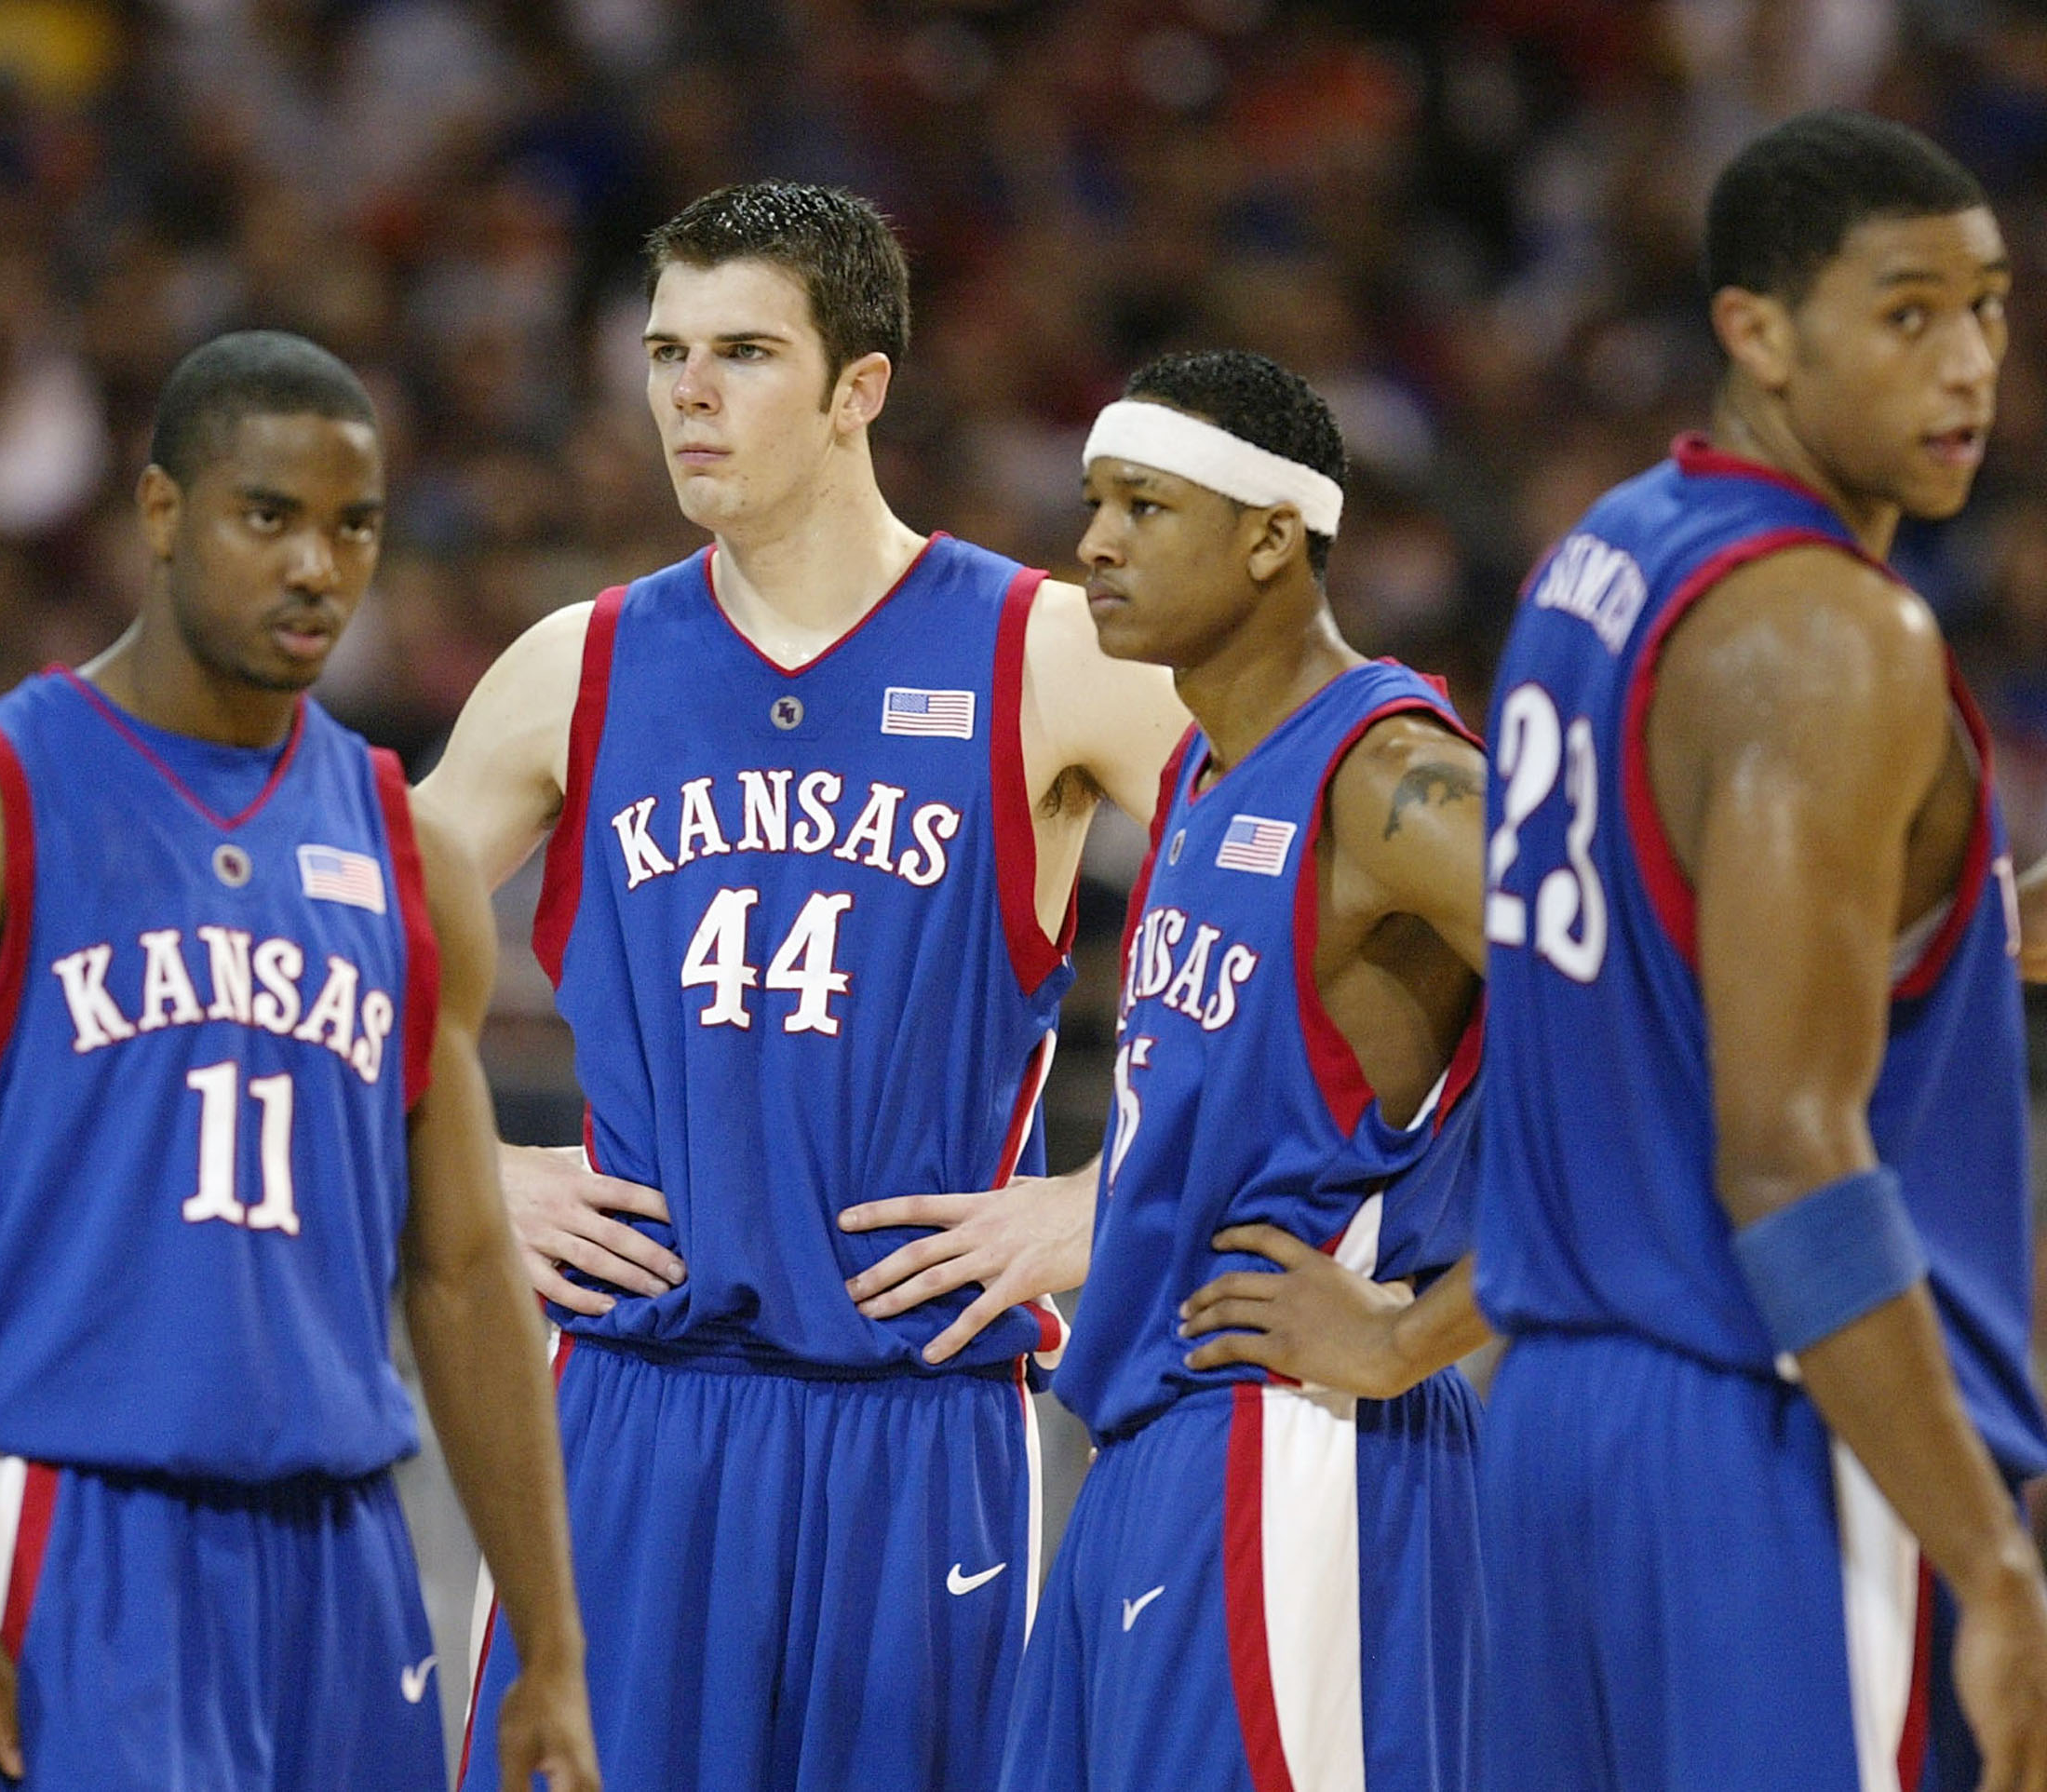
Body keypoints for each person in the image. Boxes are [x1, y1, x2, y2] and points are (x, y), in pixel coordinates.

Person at [417, 181, 1189, 1792]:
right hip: (626, 1412)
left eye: (745, 352)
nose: (688, 394)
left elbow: (1317, 901)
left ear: (862, 388)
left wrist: (1125, 1196)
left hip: (920, 1425)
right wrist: (459, 1178)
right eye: (665, 352)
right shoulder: (581, 661)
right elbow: (300, 965)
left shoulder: (1042, 651)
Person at [0, 330, 597, 1792]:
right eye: (270, 516)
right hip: (84, 1523)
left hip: (345, 1543)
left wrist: (550, 1646)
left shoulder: (407, 848)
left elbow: (459, 1269)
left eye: (352, 525)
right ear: (165, 513)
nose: (317, 564)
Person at [1472, 109, 2047, 1791]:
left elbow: (1661, 930)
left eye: (1993, 308)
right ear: (1757, 330)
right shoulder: (1839, 632)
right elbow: (1787, 1156)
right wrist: (1992, 1560)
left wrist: (1944, 935)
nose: (1971, 365)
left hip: (1557, 1436)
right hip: (1778, 1428)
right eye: (1909, 312)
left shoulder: (1601, 556)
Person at [851, 350, 1476, 1790]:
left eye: (1145, 504)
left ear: (1271, 536)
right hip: (1151, 1442)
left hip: (1300, 1439)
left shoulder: (1386, 774)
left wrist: (1409, 1332)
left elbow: (1672, 1016)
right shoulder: (1200, 771)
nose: (1095, 543)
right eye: (1093, 501)